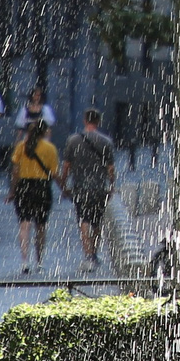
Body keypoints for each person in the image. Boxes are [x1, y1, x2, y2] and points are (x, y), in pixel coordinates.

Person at [61, 107, 118, 273]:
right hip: (99, 188)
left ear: (85, 121)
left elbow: (66, 166)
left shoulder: (73, 140)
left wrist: (64, 185)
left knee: (83, 221)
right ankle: (94, 253)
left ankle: (88, 255)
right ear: (98, 122)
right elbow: (111, 168)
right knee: (97, 222)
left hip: (80, 188)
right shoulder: (106, 141)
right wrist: (112, 185)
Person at [9, 121, 60, 274]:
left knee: (24, 225)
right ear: (44, 132)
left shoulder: (21, 146)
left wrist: (12, 191)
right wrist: (64, 188)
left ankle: (25, 261)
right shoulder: (50, 149)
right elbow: (54, 173)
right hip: (42, 187)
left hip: (24, 187)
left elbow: (15, 171)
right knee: (41, 226)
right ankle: (39, 261)